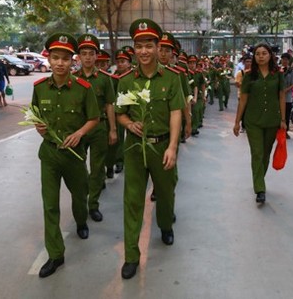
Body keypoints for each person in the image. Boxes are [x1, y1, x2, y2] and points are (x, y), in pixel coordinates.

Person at [115, 18, 185, 280]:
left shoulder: (171, 78)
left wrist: (173, 147)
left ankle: (165, 225)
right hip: (134, 148)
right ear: (134, 49)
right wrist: (128, 123)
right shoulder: (125, 81)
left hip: (162, 145)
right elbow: (120, 112)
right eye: (139, 46)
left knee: (165, 194)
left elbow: (176, 112)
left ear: (158, 47)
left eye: (149, 45)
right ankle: (132, 256)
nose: (144, 51)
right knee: (132, 201)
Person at [31, 33, 100, 278]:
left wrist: (80, 133)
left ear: (73, 61)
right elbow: (36, 116)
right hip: (49, 154)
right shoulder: (39, 88)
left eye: (65, 59)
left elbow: (94, 118)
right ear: (49, 59)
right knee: (50, 205)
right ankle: (56, 255)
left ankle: (81, 221)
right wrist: (39, 128)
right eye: (55, 58)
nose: (60, 63)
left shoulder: (83, 88)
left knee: (80, 195)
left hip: (74, 155)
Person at [233, 43, 286, 205]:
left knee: (265, 154)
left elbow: (282, 96)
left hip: (272, 120)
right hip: (253, 121)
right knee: (257, 153)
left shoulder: (278, 75)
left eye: (264, 53)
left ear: (270, 55)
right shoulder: (249, 76)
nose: (261, 56)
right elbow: (243, 100)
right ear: (254, 57)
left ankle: (258, 179)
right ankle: (260, 189)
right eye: (257, 54)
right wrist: (237, 122)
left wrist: (283, 120)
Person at [74, 34, 117, 220]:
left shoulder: (104, 79)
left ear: (96, 56)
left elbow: (110, 105)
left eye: (91, 53)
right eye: (84, 53)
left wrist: (113, 129)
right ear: (79, 57)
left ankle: (93, 205)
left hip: (99, 127)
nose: (88, 57)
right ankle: (81, 203)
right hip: (79, 129)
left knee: (98, 168)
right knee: (79, 168)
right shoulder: (72, 78)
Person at [280, 53, 293, 139]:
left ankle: (285, 131)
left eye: (286, 60)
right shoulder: (278, 70)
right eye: (283, 59)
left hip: (287, 98)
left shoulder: (292, 71)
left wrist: (286, 90)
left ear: (288, 61)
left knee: (286, 116)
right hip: (278, 97)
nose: (284, 61)